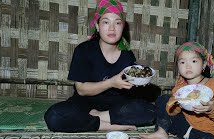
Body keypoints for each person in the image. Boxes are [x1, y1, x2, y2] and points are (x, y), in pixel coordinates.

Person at [44, 0, 155, 132]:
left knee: (151, 111)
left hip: (116, 107)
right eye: (106, 22)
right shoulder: (84, 50)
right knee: (55, 116)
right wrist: (111, 82)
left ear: (123, 27)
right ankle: (108, 125)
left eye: (117, 22)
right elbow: (81, 90)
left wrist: (140, 82)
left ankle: (99, 117)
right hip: (86, 104)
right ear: (97, 25)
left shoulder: (127, 55)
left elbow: (130, 87)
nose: (112, 28)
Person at [140, 42, 214, 139]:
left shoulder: (213, 85)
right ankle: (162, 132)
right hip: (184, 127)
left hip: (206, 134)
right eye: (182, 62)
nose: (188, 66)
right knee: (164, 99)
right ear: (178, 67)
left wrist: (212, 108)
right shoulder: (180, 88)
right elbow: (171, 113)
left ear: (204, 65)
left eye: (193, 61)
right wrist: (176, 103)